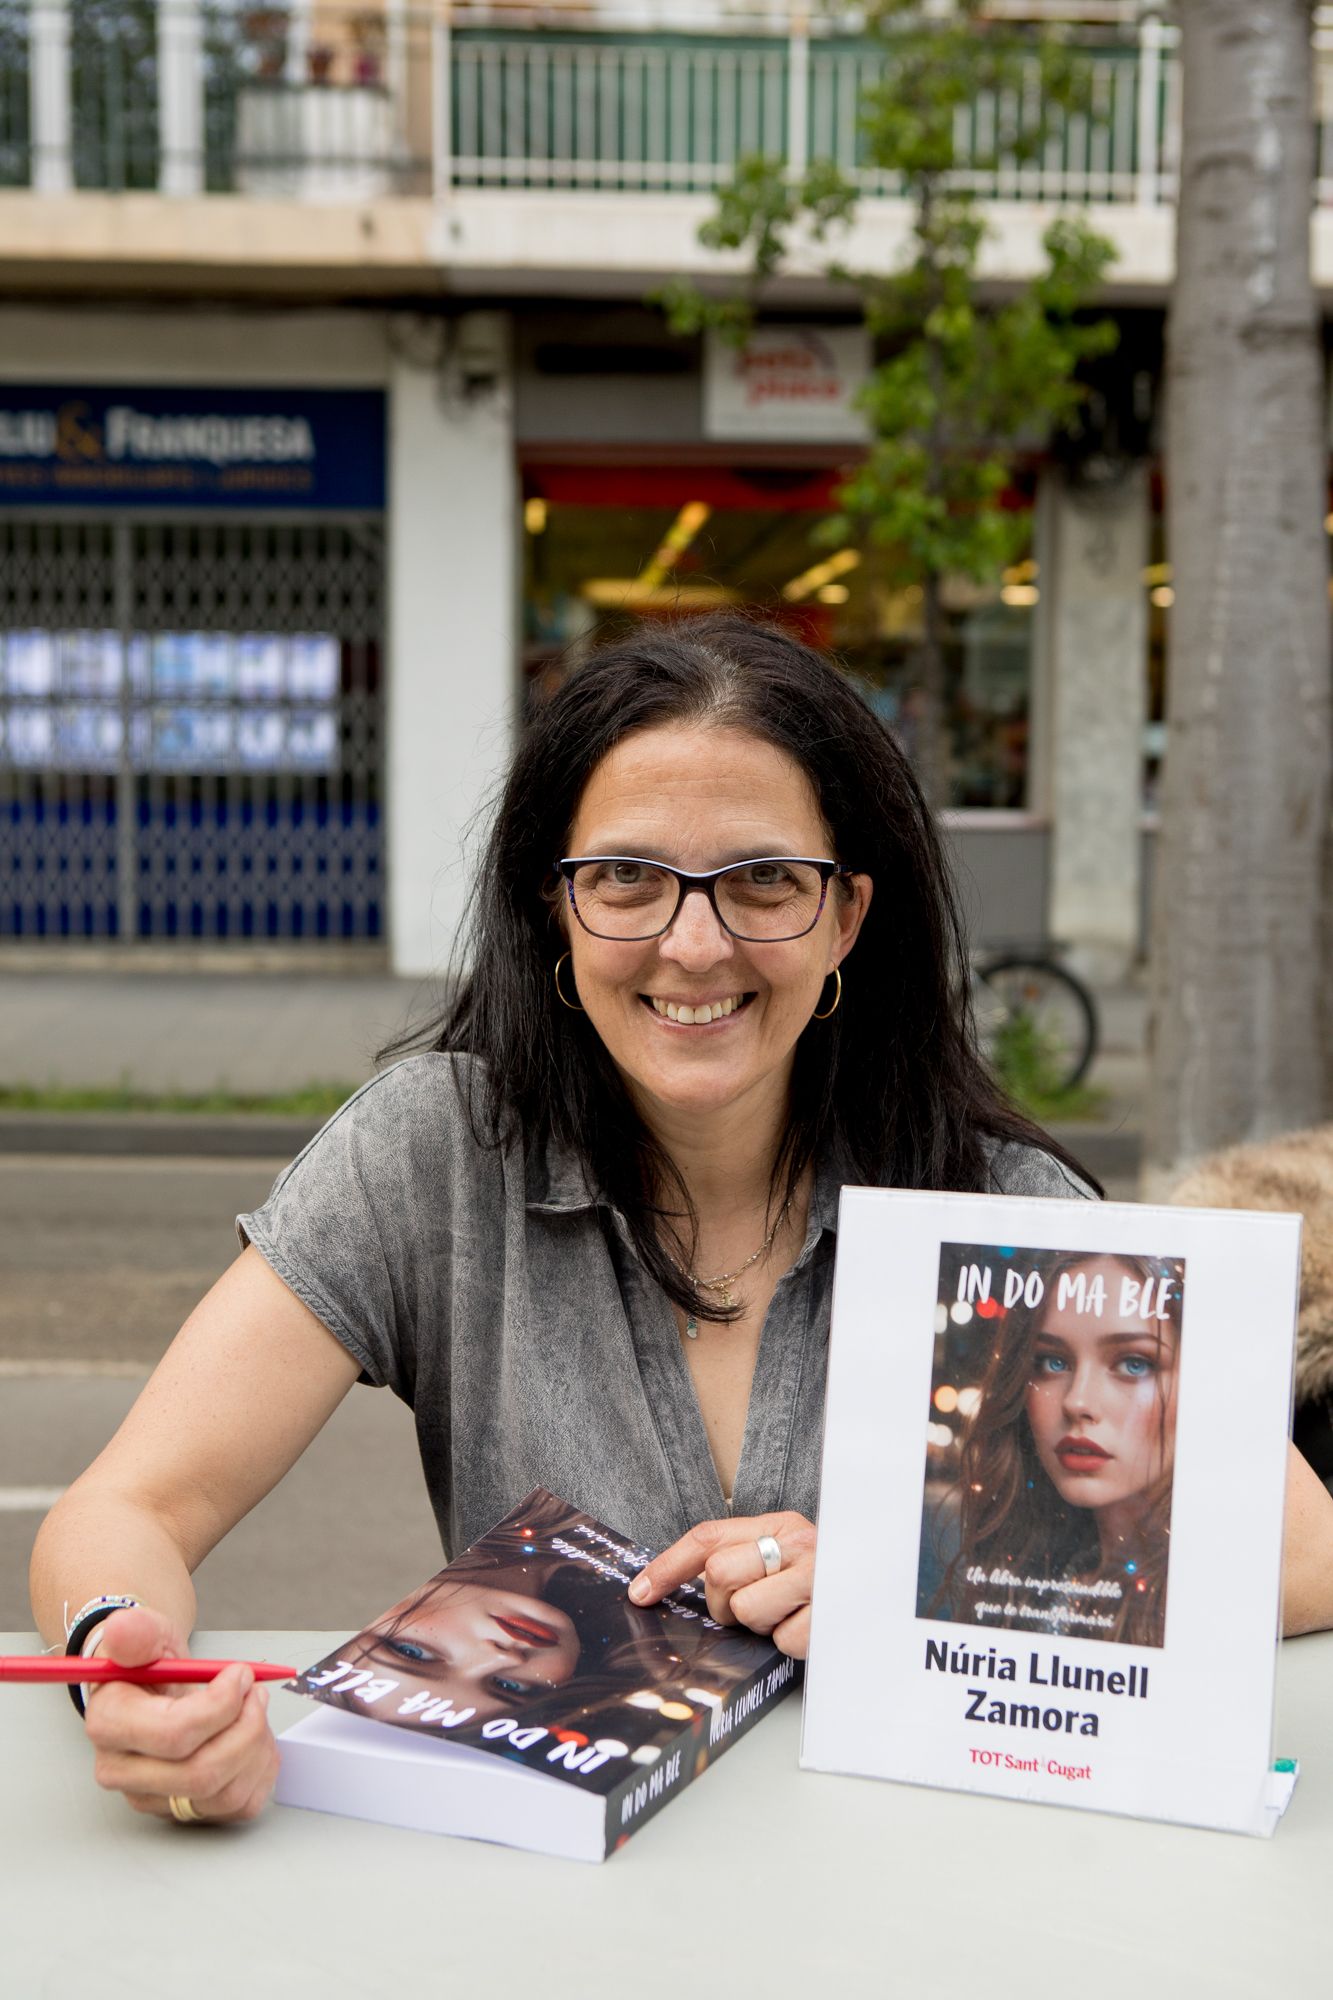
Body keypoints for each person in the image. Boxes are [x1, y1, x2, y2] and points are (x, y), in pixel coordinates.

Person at [30, 614, 1333, 1827]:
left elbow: (1306, 1554)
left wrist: (914, 1584)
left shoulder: (990, 1203)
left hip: (904, 1897)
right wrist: (118, 1658)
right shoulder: (433, 1153)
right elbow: (131, 1504)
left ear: (846, 915)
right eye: (626, 878)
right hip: (542, 1911)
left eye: (762, 880)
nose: (693, 944)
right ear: (556, 904)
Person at [931, 1252, 1182, 1647]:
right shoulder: (1035, 1576)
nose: (1076, 1401)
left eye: (1134, 1364)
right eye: (1052, 1362)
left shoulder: (1204, 1601)